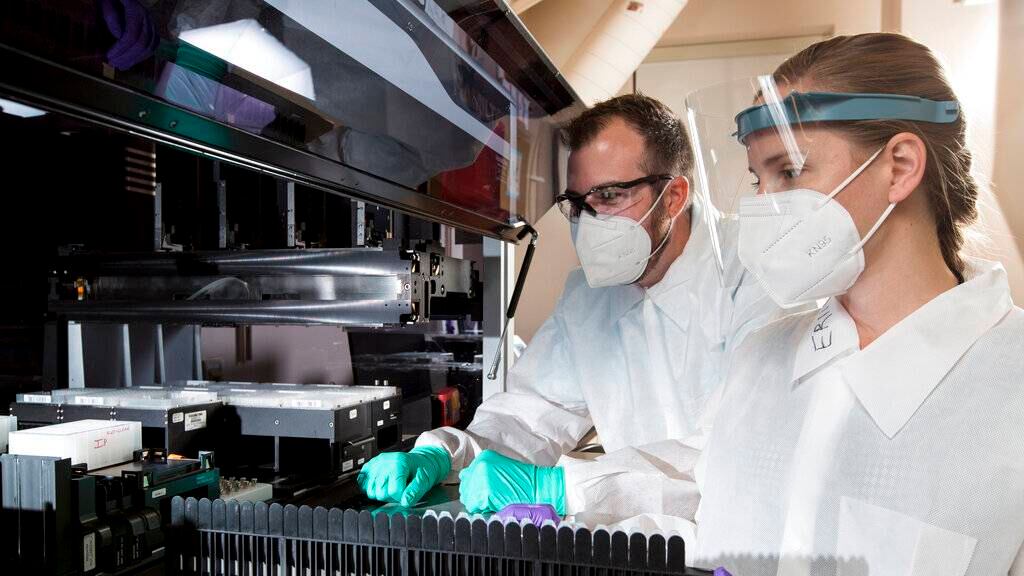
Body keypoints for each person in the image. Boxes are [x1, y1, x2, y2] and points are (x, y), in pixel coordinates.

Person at [554, 32, 1024, 574]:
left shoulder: (1009, 388)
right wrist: (567, 521)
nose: (761, 206)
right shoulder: (763, 358)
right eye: (758, 178)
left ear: (899, 166)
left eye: (790, 171)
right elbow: (716, 524)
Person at [357, 94, 778, 518]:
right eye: (577, 204)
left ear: (673, 196)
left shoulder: (756, 272)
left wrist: (561, 488)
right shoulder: (589, 296)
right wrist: (444, 454)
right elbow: (533, 415)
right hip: (647, 541)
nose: (590, 222)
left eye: (609, 195)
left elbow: (738, 456)